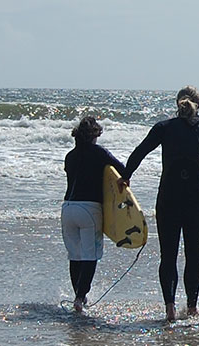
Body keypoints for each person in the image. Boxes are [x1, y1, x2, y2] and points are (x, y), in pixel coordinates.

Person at [118, 86, 199, 322]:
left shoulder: (164, 128)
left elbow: (140, 152)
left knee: (168, 255)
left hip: (168, 200)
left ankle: (170, 309)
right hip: (196, 202)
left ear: (177, 104)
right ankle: (192, 308)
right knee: (194, 255)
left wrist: (125, 175)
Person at [62, 117, 125, 312]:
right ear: (94, 136)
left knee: (75, 256)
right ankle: (80, 299)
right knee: (90, 256)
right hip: (89, 209)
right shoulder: (99, 153)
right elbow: (122, 170)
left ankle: (78, 297)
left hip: (68, 209)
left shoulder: (69, 156)